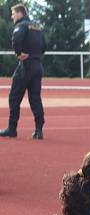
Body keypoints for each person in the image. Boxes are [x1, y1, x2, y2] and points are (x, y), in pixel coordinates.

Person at [0, 3, 45, 140]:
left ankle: (12, 129)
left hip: (25, 66)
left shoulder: (21, 25)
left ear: (20, 13)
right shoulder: (37, 26)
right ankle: (39, 130)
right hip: (37, 65)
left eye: (13, 13)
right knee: (35, 98)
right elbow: (44, 45)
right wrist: (35, 54)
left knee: (14, 97)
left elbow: (16, 39)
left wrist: (18, 53)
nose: (12, 16)